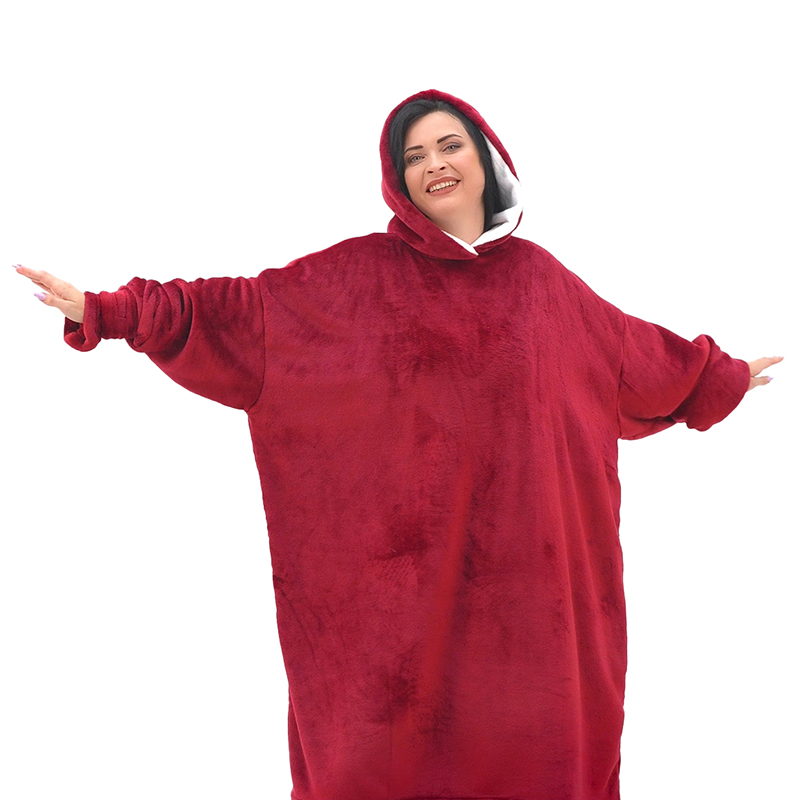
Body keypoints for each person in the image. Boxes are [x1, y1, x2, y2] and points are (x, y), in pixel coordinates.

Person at [14, 89, 781, 800]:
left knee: (537, 760)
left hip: (530, 627)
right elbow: (234, 316)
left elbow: (634, 359)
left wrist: (719, 376)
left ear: (487, 158)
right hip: (394, 639)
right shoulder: (348, 282)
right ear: (398, 179)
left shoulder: (544, 286)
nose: (434, 164)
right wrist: (113, 311)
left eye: (449, 146)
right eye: (414, 156)